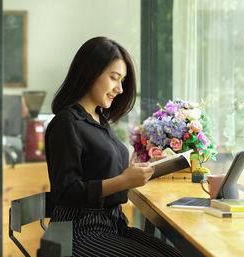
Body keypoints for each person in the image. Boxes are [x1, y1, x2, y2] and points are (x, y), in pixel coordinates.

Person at [45, 37, 182, 257]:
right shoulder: (66, 122)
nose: (119, 89)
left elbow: (99, 170)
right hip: (76, 231)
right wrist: (124, 181)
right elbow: (65, 192)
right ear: (90, 72)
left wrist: (144, 168)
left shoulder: (99, 119)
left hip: (113, 224)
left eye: (122, 81)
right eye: (114, 78)